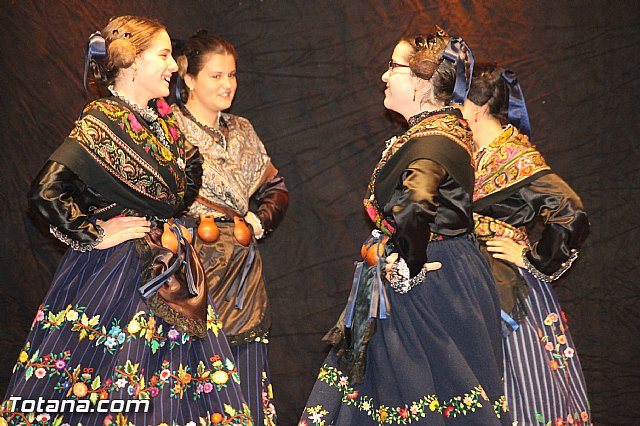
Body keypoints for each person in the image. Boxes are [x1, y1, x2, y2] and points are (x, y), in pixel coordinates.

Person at [1, 16, 253, 426]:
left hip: (171, 265)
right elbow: (46, 190)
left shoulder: (162, 120)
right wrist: (95, 232)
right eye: (164, 55)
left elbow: (179, 193)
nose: (174, 66)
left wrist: (180, 163)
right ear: (133, 62)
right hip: (117, 275)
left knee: (175, 393)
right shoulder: (103, 119)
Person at [299, 28, 511, 425]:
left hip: (429, 282)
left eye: (393, 67)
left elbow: (417, 203)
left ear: (421, 81)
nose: (384, 75)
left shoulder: (433, 140)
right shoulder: (437, 129)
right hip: (443, 271)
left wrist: (405, 263)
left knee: (415, 394)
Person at [462, 63, 591, 425]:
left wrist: (532, 258)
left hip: (507, 287)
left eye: (456, 104)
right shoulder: (471, 153)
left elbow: (571, 210)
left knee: (523, 385)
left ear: (476, 108)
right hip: (470, 280)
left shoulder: (514, 156)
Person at [171, 30, 288, 426]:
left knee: (245, 375)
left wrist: (256, 223)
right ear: (188, 78)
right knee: (189, 374)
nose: (228, 85)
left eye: (232, 75)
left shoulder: (241, 129)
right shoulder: (168, 129)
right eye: (216, 76)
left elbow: (276, 188)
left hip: (241, 273)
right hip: (189, 268)